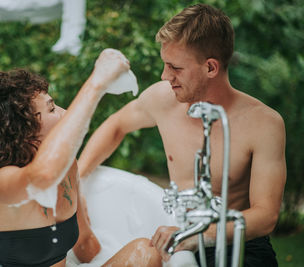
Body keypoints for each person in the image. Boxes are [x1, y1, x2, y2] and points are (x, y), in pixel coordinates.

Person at [78, 3, 286, 266]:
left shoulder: (264, 123)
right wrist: (77, 181)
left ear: (211, 68)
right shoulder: (162, 99)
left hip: (236, 242)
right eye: (165, 65)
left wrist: (196, 235)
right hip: (174, 232)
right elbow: (116, 125)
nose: (165, 76)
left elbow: (266, 216)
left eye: (175, 68)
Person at [0, 49, 161, 267]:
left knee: (145, 252)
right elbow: (42, 176)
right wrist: (97, 82)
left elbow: (85, 244)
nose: (64, 111)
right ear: (24, 133)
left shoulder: (67, 167)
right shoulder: (2, 184)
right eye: (52, 109)